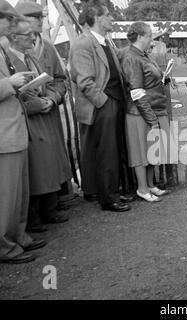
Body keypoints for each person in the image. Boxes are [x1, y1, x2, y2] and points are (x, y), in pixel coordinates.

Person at [69, 0, 132, 212]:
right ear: (97, 18)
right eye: (108, 15)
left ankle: (111, 191)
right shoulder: (82, 44)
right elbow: (84, 81)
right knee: (106, 152)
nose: (112, 18)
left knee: (113, 150)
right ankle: (108, 198)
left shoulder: (104, 42)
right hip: (103, 105)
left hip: (113, 102)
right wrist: (104, 103)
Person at [15, 1, 71, 231]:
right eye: (34, 16)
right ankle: (36, 213)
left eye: (41, 16)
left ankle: (52, 204)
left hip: (48, 112)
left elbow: (60, 78)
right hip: (30, 117)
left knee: (53, 160)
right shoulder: (11, 51)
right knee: (37, 165)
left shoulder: (46, 46)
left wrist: (53, 98)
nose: (40, 20)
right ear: (20, 22)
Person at [0, 0, 45, 264]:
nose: (12, 25)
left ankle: (19, 236)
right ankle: (6, 247)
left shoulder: (3, 49)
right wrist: (10, 83)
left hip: (14, 131)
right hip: (5, 135)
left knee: (19, 193)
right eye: (9, 20)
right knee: (7, 195)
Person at [121, 22, 170, 202]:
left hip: (153, 108)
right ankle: (142, 188)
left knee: (152, 150)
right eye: (149, 35)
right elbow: (136, 91)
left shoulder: (144, 55)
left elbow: (150, 79)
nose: (151, 39)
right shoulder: (131, 57)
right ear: (140, 36)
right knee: (141, 151)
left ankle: (150, 184)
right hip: (139, 112)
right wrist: (151, 119)